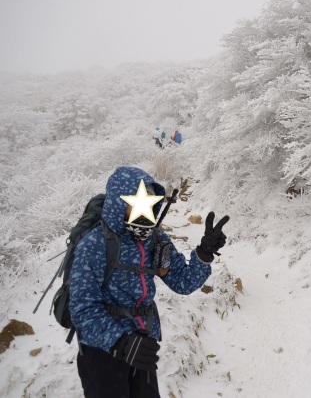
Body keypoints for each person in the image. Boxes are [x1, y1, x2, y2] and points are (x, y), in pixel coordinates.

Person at [69, 166, 228, 398]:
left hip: (142, 347)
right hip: (102, 352)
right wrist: (121, 343)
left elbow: (182, 282)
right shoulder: (95, 245)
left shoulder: (154, 239)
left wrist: (204, 254)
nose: (145, 211)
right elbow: (82, 309)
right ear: (118, 202)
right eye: (137, 202)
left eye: (150, 203)